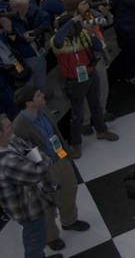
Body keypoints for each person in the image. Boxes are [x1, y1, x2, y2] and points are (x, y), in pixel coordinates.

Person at [13, 86, 88, 253]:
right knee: (48, 205)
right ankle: (51, 236)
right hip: (44, 169)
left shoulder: (43, 110)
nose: (43, 96)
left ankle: (69, 221)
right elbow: (24, 153)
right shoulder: (19, 126)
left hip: (60, 157)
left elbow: (55, 133)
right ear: (29, 103)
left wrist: (65, 153)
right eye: (38, 96)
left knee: (70, 189)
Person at [50, 13, 119, 158]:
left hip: (90, 74)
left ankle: (101, 130)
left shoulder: (83, 35)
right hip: (74, 80)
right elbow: (57, 41)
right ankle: (75, 144)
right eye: (73, 26)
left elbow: (98, 46)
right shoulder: (57, 41)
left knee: (96, 105)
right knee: (77, 114)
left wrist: (92, 33)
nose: (76, 29)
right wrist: (71, 23)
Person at [0, 115, 57, 258]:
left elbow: (31, 148)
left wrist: (37, 159)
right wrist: (44, 159)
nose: (12, 127)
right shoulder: (6, 162)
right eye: (8, 127)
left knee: (38, 237)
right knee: (35, 242)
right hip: (28, 209)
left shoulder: (11, 140)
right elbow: (37, 172)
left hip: (33, 197)